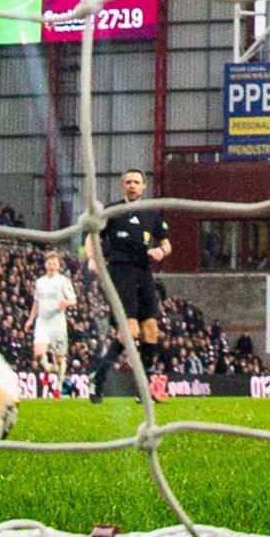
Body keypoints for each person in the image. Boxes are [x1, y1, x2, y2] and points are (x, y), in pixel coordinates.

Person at [87, 167, 171, 403]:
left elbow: (166, 243)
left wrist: (161, 251)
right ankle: (99, 379)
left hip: (144, 273)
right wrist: (93, 258)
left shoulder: (151, 214)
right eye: (128, 182)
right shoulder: (112, 211)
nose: (132, 185)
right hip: (120, 272)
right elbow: (91, 236)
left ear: (144, 187)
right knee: (130, 332)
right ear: (122, 186)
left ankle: (142, 390)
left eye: (136, 182)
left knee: (151, 331)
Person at [27, 250, 76, 383]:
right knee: (38, 353)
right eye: (50, 263)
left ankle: (59, 386)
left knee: (60, 359)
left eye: (55, 263)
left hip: (57, 323)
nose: (52, 266)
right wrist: (30, 319)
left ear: (59, 265)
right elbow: (36, 302)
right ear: (45, 265)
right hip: (42, 322)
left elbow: (74, 300)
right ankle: (48, 367)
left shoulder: (63, 281)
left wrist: (66, 302)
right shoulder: (40, 282)